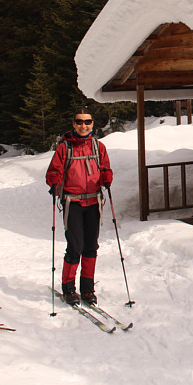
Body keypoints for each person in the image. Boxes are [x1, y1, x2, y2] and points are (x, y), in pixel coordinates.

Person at [46, 110, 113, 305]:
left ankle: (87, 289)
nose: (84, 126)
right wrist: (54, 180)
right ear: (74, 124)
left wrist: (107, 178)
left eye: (87, 122)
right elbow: (52, 172)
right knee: (75, 246)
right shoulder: (64, 149)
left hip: (93, 202)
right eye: (79, 122)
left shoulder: (98, 147)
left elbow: (105, 169)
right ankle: (68, 288)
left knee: (91, 246)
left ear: (92, 124)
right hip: (72, 202)